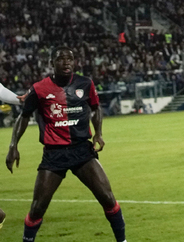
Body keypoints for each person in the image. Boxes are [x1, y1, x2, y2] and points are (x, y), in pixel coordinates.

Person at [5, 47, 126, 242]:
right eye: (61, 59)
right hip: (54, 154)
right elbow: (24, 116)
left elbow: (96, 108)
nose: (67, 62)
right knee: (37, 208)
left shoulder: (85, 84)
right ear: (52, 63)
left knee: (108, 198)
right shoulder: (39, 89)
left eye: (70, 58)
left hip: (82, 152)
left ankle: (122, 240)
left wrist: (98, 134)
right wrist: (13, 146)